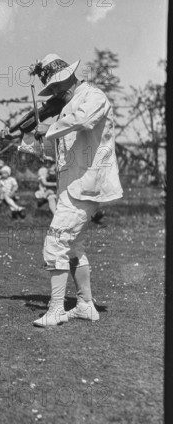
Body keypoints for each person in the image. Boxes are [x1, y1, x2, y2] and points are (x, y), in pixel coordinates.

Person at [24, 53, 123, 327]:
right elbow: (58, 148)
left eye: (58, 84)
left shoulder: (93, 96)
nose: (56, 91)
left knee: (55, 244)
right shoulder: (67, 107)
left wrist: (48, 127)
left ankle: (55, 309)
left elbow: (83, 121)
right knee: (72, 247)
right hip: (71, 186)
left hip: (87, 185)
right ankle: (85, 305)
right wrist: (25, 135)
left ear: (71, 75)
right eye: (52, 87)